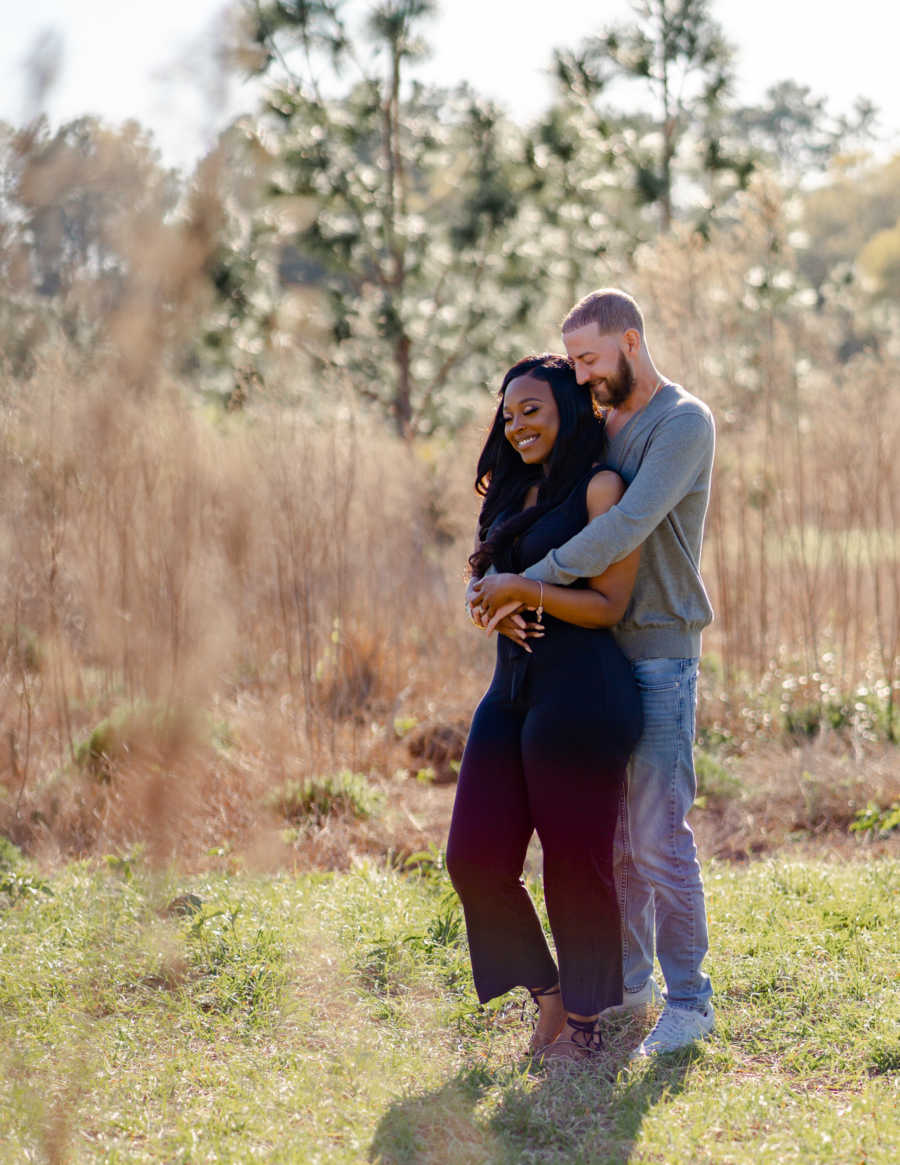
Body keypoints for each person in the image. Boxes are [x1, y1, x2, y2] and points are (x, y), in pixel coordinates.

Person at [469, 289, 716, 1057]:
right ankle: (630, 978)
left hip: (662, 651)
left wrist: (530, 579)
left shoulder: (683, 423)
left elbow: (624, 525)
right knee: (611, 840)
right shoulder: (601, 418)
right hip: (599, 660)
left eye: (588, 359)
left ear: (631, 342)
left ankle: (691, 1000)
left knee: (656, 834)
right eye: (571, 360)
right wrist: (499, 586)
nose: (579, 376)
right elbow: (554, 495)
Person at [446, 353, 644, 1064]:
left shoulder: (601, 487)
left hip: (583, 696)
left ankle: (588, 1035)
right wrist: (488, 607)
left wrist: (523, 592)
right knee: (473, 856)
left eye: (532, 408)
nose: (517, 423)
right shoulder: (509, 490)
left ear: (567, 406)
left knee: (574, 862)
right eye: (508, 413)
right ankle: (551, 997)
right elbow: (482, 587)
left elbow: (609, 602)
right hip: (510, 692)